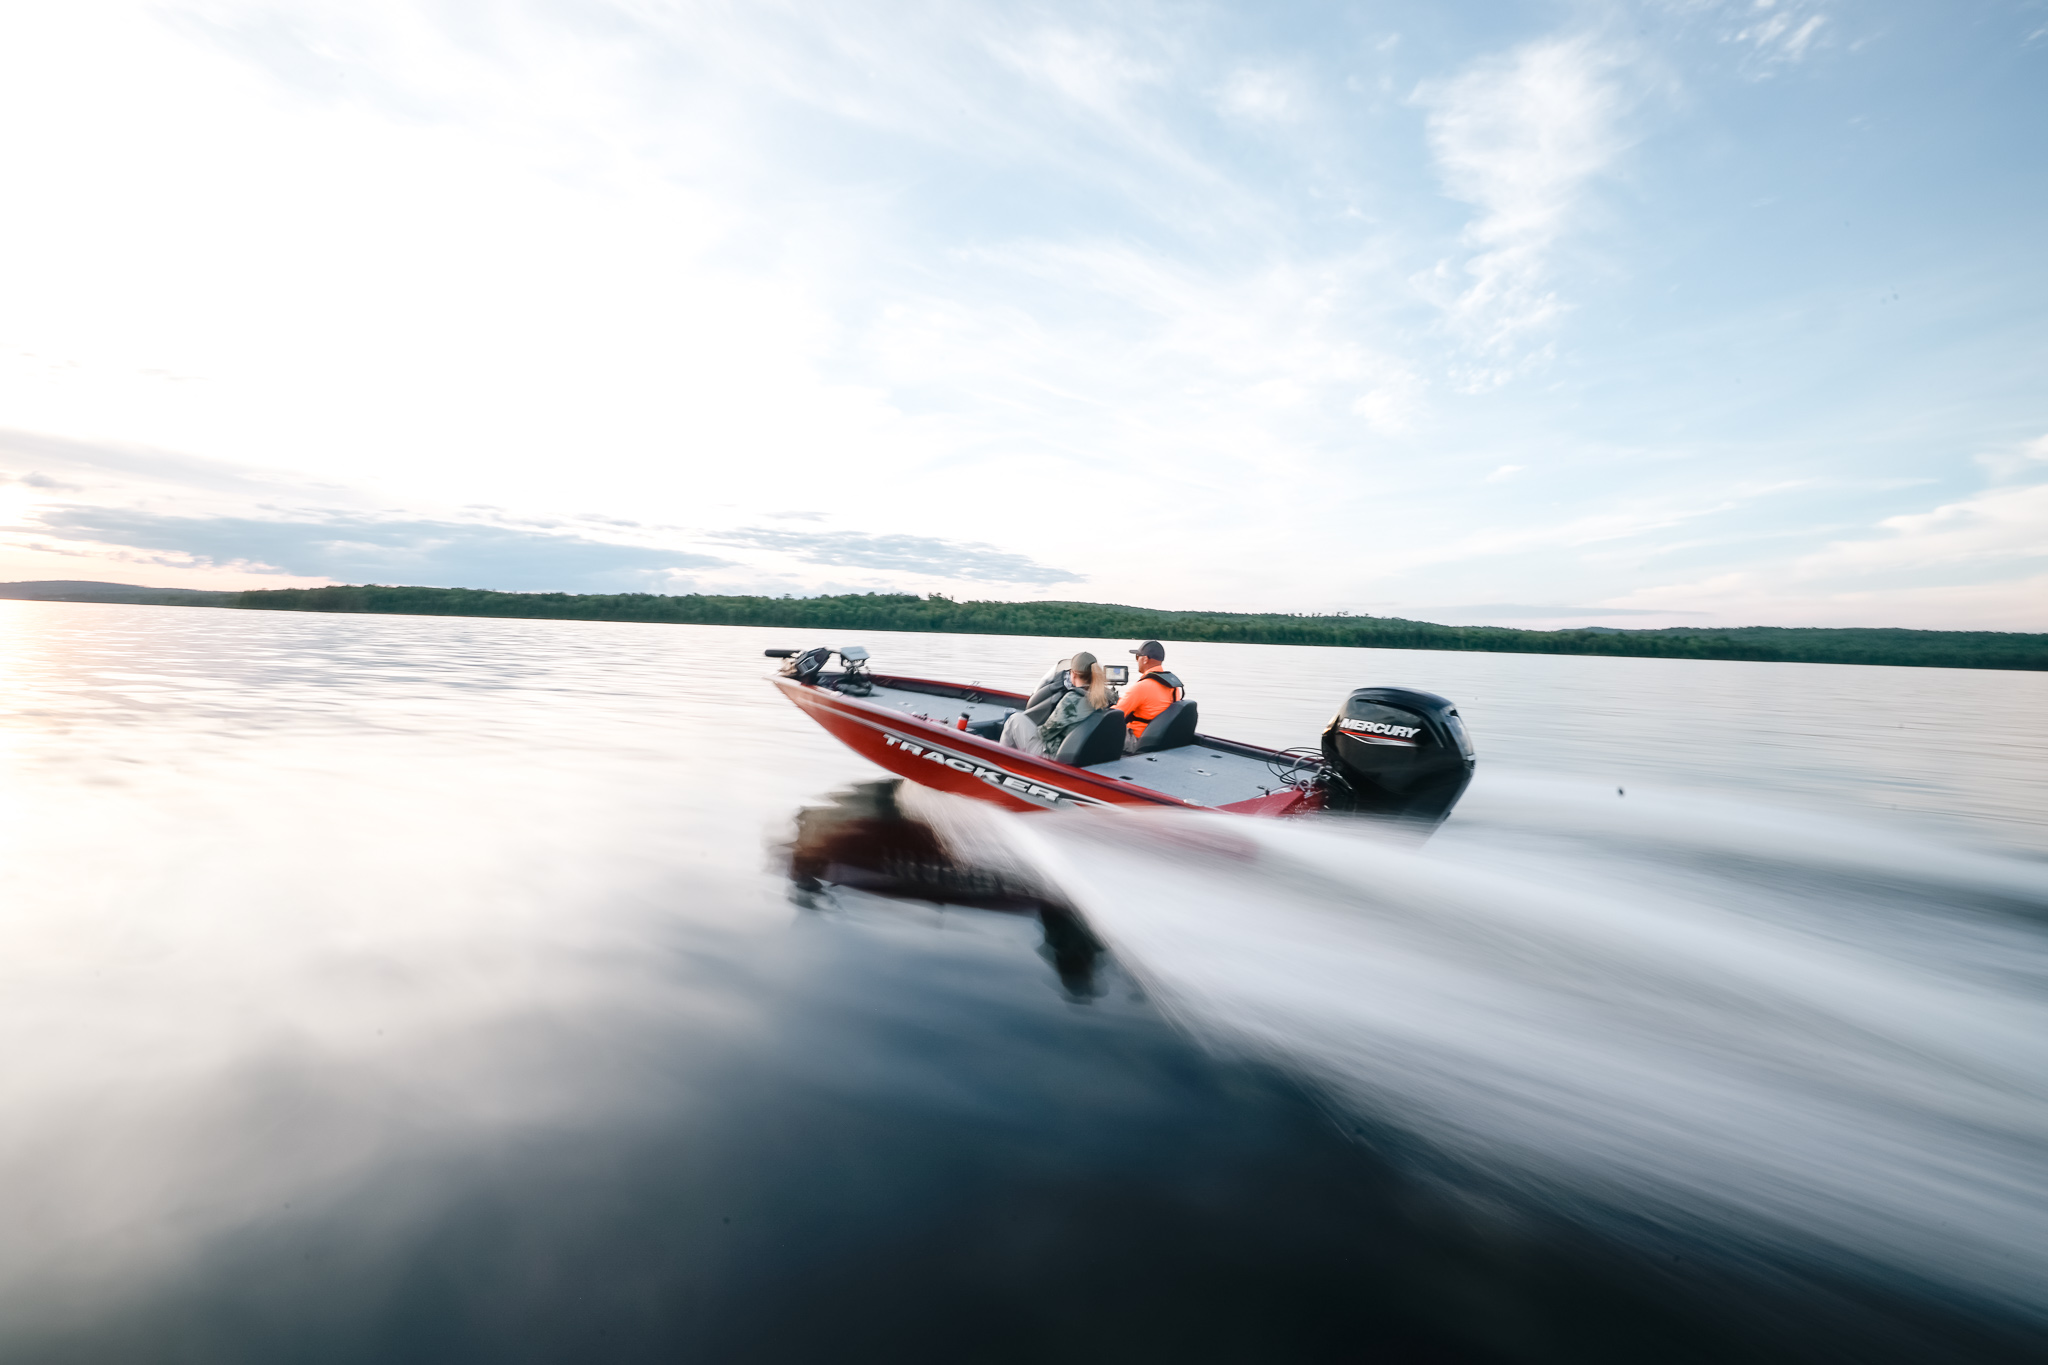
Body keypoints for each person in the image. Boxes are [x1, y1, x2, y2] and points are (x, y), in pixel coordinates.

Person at [1000, 652, 1110, 757]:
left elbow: (1045, 734)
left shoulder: (1072, 700)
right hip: (1082, 753)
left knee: (1014, 719)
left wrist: (1035, 727)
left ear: (1074, 673)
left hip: (1052, 756)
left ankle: (999, 765)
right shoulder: (1105, 698)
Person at [1116, 640, 1184, 751]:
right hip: (1160, 738)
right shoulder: (1173, 686)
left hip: (1138, 740)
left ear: (1145, 659)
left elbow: (1116, 715)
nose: (1137, 660)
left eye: (1138, 656)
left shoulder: (1142, 686)